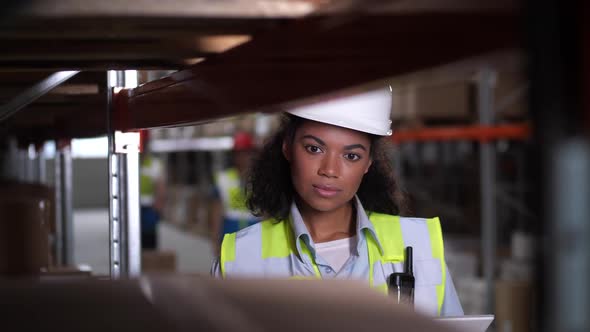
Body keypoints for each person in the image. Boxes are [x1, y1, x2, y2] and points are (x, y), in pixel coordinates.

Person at [210, 88, 463, 316]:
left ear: (368, 164)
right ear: (287, 147)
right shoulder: (240, 258)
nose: (330, 170)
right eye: (314, 149)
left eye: (351, 155)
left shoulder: (419, 245)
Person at [208, 132, 262, 255]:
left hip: (255, 235)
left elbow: (268, 214)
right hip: (230, 233)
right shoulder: (223, 179)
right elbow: (216, 213)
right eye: (239, 153)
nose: (242, 158)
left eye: (246, 153)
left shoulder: (262, 181)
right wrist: (215, 241)